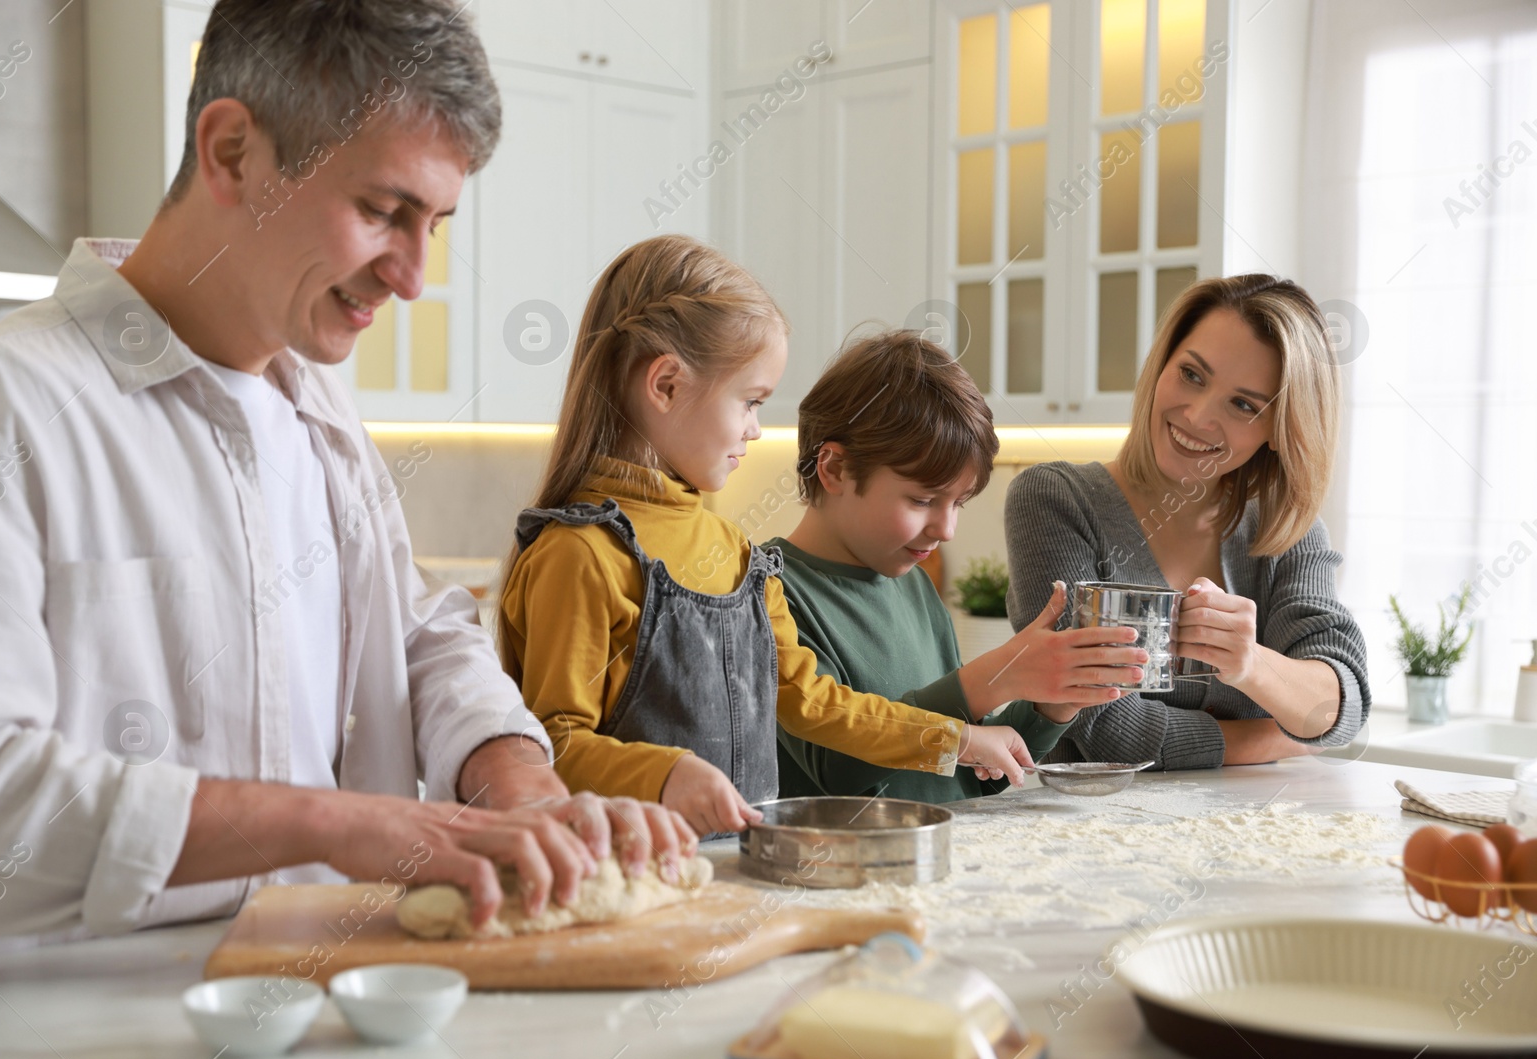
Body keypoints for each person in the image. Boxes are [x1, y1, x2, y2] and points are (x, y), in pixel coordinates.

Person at [0, 0, 691, 958]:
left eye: (436, 223)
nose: (415, 276)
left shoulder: (317, 404)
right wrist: (346, 825)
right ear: (233, 152)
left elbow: (412, 630)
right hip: (79, 1027)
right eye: (383, 211)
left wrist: (514, 775)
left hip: (331, 1001)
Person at [498, 235, 1039, 839]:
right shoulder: (579, 554)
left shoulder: (735, 553)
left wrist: (956, 739)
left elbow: (814, 701)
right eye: (751, 401)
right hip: (632, 876)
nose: (756, 430)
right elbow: (551, 745)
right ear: (667, 384)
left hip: (744, 872)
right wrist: (667, 774)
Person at [1004, 274, 1370, 770]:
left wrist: (1251, 663)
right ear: (1161, 367)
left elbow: (1336, 705)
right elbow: (1108, 733)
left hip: (1250, 827)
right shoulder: (1056, 500)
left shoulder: (1289, 533)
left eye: (1243, 404)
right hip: (1086, 828)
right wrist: (1276, 738)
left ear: (1281, 429)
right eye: (1192, 375)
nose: (1197, 416)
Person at [766, 330, 1143, 802]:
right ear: (836, 470)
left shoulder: (915, 588)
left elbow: (966, 775)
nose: (946, 529)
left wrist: (1053, 706)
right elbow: (835, 767)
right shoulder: (767, 590)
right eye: (923, 499)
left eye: (958, 503)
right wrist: (991, 678)